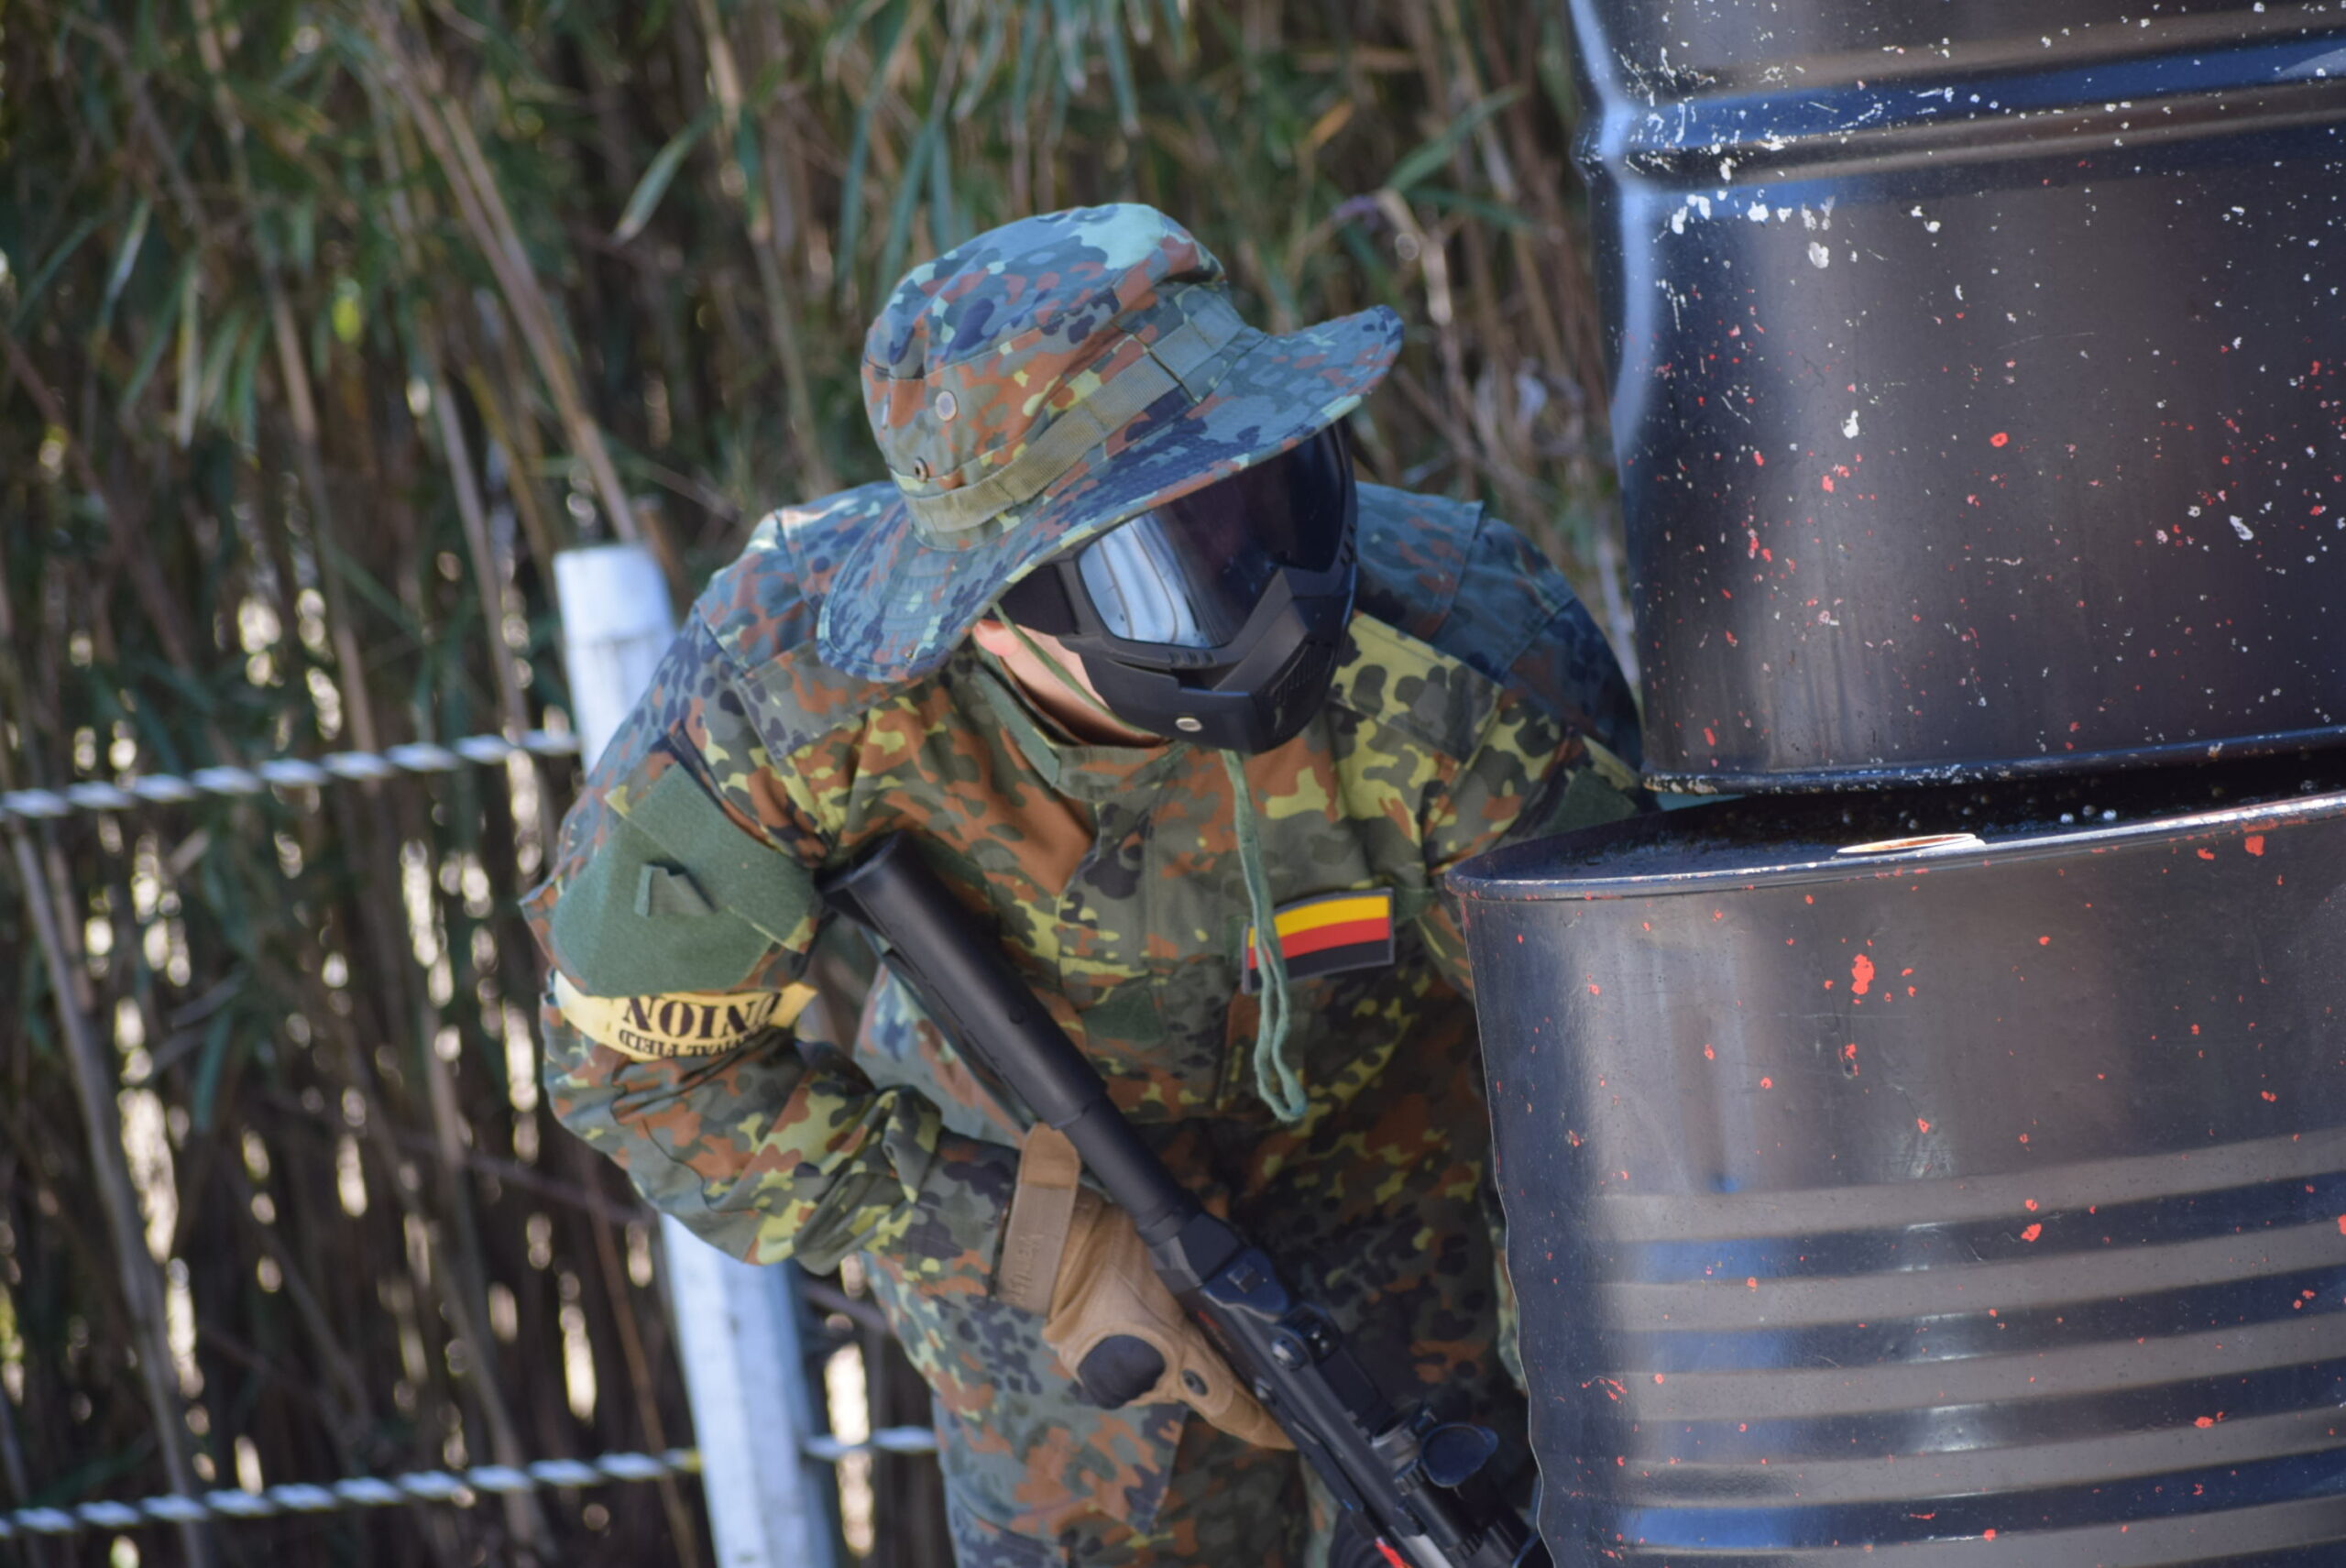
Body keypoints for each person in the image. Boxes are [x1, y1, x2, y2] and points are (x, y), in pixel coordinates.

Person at [526, 203, 1642, 1568]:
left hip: (1420, 1226)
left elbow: (1627, 1106)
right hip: (1046, 1296)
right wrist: (1030, 1242)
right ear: (991, 615)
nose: (1265, 590)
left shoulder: (1465, 659)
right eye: (1164, 566)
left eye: (1264, 495)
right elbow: (637, 1071)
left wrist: (1576, 1443)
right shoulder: (796, 694)